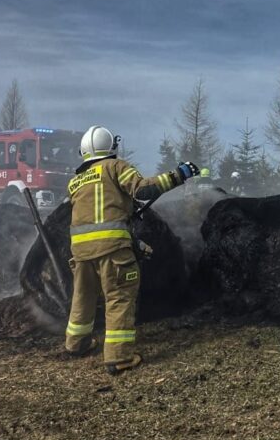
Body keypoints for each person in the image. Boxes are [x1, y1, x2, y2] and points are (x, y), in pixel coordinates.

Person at [64, 125, 199, 374]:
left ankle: (76, 343)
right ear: (111, 148)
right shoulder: (116, 167)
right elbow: (144, 189)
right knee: (119, 298)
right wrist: (179, 174)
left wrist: (132, 239)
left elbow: (97, 217)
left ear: (83, 152)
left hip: (81, 253)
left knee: (83, 297)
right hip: (112, 250)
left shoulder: (76, 181)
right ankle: (119, 357)